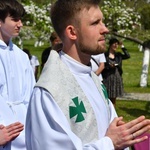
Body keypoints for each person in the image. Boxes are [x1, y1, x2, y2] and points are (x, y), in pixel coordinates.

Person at [26, 0, 150, 150]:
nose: (105, 29)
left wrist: (121, 136)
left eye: (102, 21)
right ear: (72, 32)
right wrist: (110, 143)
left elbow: (111, 129)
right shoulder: (49, 91)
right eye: (95, 23)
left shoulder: (91, 77)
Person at [0, 0, 35, 149]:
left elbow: (31, 95)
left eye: (21, 19)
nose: (20, 24)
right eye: (14, 19)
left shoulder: (22, 56)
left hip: (24, 131)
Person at [102, 38, 130, 106]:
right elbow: (102, 65)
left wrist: (122, 46)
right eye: (114, 44)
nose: (116, 46)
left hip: (116, 77)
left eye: (117, 44)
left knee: (114, 97)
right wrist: (109, 66)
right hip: (107, 77)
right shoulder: (105, 55)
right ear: (111, 45)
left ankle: (113, 113)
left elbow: (127, 55)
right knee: (106, 96)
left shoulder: (118, 55)